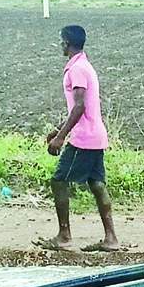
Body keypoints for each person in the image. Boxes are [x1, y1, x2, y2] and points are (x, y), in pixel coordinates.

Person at [43, 24, 120, 251]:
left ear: (66, 43)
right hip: (97, 136)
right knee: (96, 183)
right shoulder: (85, 65)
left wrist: (61, 138)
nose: (60, 45)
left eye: (61, 41)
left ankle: (64, 236)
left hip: (83, 138)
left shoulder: (76, 69)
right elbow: (79, 109)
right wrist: (58, 130)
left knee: (59, 180)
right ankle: (111, 239)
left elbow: (79, 107)